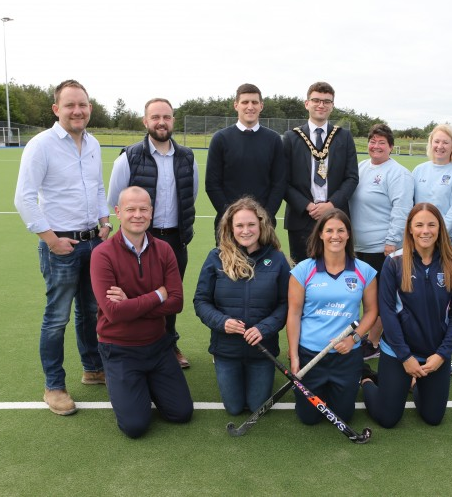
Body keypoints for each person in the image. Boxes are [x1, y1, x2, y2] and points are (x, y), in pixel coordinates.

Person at [14, 79, 111, 416]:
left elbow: (98, 187)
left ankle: (93, 368)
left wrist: (105, 221)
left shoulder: (94, 143)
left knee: (89, 311)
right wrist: (51, 240)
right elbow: (23, 198)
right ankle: (54, 385)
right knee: (56, 318)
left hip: (92, 243)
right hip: (62, 246)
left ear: (89, 108)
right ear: (56, 109)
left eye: (82, 104)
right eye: (69, 105)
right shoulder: (41, 145)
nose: (77, 110)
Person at [90, 187, 193, 437]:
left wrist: (131, 304)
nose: (137, 215)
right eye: (130, 209)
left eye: (143, 209)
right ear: (117, 213)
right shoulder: (101, 254)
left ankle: (147, 382)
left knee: (181, 414)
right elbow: (114, 312)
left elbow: (176, 303)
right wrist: (158, 295)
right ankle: (131, 383)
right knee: (135, 427)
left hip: (158, 346)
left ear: (151, 212)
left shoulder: (165, 250)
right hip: (120, 350)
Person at [108, 98, 198, 369]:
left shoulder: (187, 157)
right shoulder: (129, 157)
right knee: (138, 294)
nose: (162, 122)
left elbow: (190, 195)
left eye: (167, 117)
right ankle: (135, 347)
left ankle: (169, 345)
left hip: (174, 239)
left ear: (173, 121)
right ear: (145, 121)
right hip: (140, 241)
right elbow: (116, 199)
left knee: (170, 298)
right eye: (156, 117)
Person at [362, 203, 452, 427]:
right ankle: (367, 380)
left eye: (431, 224)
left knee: (433, 418)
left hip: (433, 355)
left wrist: (442, 355)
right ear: (410, 228)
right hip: (398, 353)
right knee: (387, 419)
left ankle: (412, 384)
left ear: (440, 228)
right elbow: (387, 313)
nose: (425, 230)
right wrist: (405, 357)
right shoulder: (395, 263)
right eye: (419, 225)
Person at [193, 198, 290, 415]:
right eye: (239, 225)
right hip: (227, 350)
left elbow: (286, 303)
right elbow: (201, 301)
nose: (246, 230)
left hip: (262, 350)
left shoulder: (277, 259)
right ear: (230, 227)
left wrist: (264, 328)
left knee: (258, 407)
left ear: (261, 225)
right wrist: (222, 322)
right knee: (234, 408)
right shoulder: (215, 257)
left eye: (251, 225)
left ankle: (262, 375)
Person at [287, 209, 378, 425]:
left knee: (343, 416)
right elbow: (294, 314)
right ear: (320, 234)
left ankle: (364, 378)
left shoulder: (364, 271)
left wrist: (353, 339)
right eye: (329, 230)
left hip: (346, 357)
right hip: (311, 355)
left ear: (348, 235)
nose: (335, 236)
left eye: (340, 230)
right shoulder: (303, 270)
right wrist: (294, 356)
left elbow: (372, 311)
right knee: (308, 418)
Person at [349, 123, 414, 359]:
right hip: (358, 247)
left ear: (391, 147)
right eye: (373, 141)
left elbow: (402, 209)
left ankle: (374, 342)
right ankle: (366, 336)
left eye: (382, 143)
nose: (376, 146)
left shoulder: (398, 173)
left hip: (382, 248)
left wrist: (392, 241)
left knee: (381, 298)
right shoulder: (362, 167)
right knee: (364, 297)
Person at [282, 82, 359, 263]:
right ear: (306, 103)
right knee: (304, 273)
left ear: (332, 106)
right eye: (316, 100)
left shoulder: (344, 137)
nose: (321, 105)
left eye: (326, 101)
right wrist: (308, 206)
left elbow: (352, 178)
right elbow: (282, 181)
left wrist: (331, 205)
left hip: (336, 217)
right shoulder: (291, 138)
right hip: (301, 218)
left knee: (337, 269)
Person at [205, 83, 286, 234]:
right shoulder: (220, 139)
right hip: (228, 224)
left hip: (263, 225)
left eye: (254, 102)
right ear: (236, 105)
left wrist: (265, 216)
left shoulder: (274, 139)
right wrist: (231, 217)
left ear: (261, 106)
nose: (250, 107)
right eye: (245, 102)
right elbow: (212, 184)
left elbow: (279, 184)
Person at [412, 124, 452, 259]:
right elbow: (411, 204)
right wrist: (421, 232)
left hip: (447, 239)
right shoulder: (418, 170)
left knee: (449, 280)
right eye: (436, 141)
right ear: (431, 143)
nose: (440, 146)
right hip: (420, 239)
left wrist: (435, 233)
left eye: (445, 142)